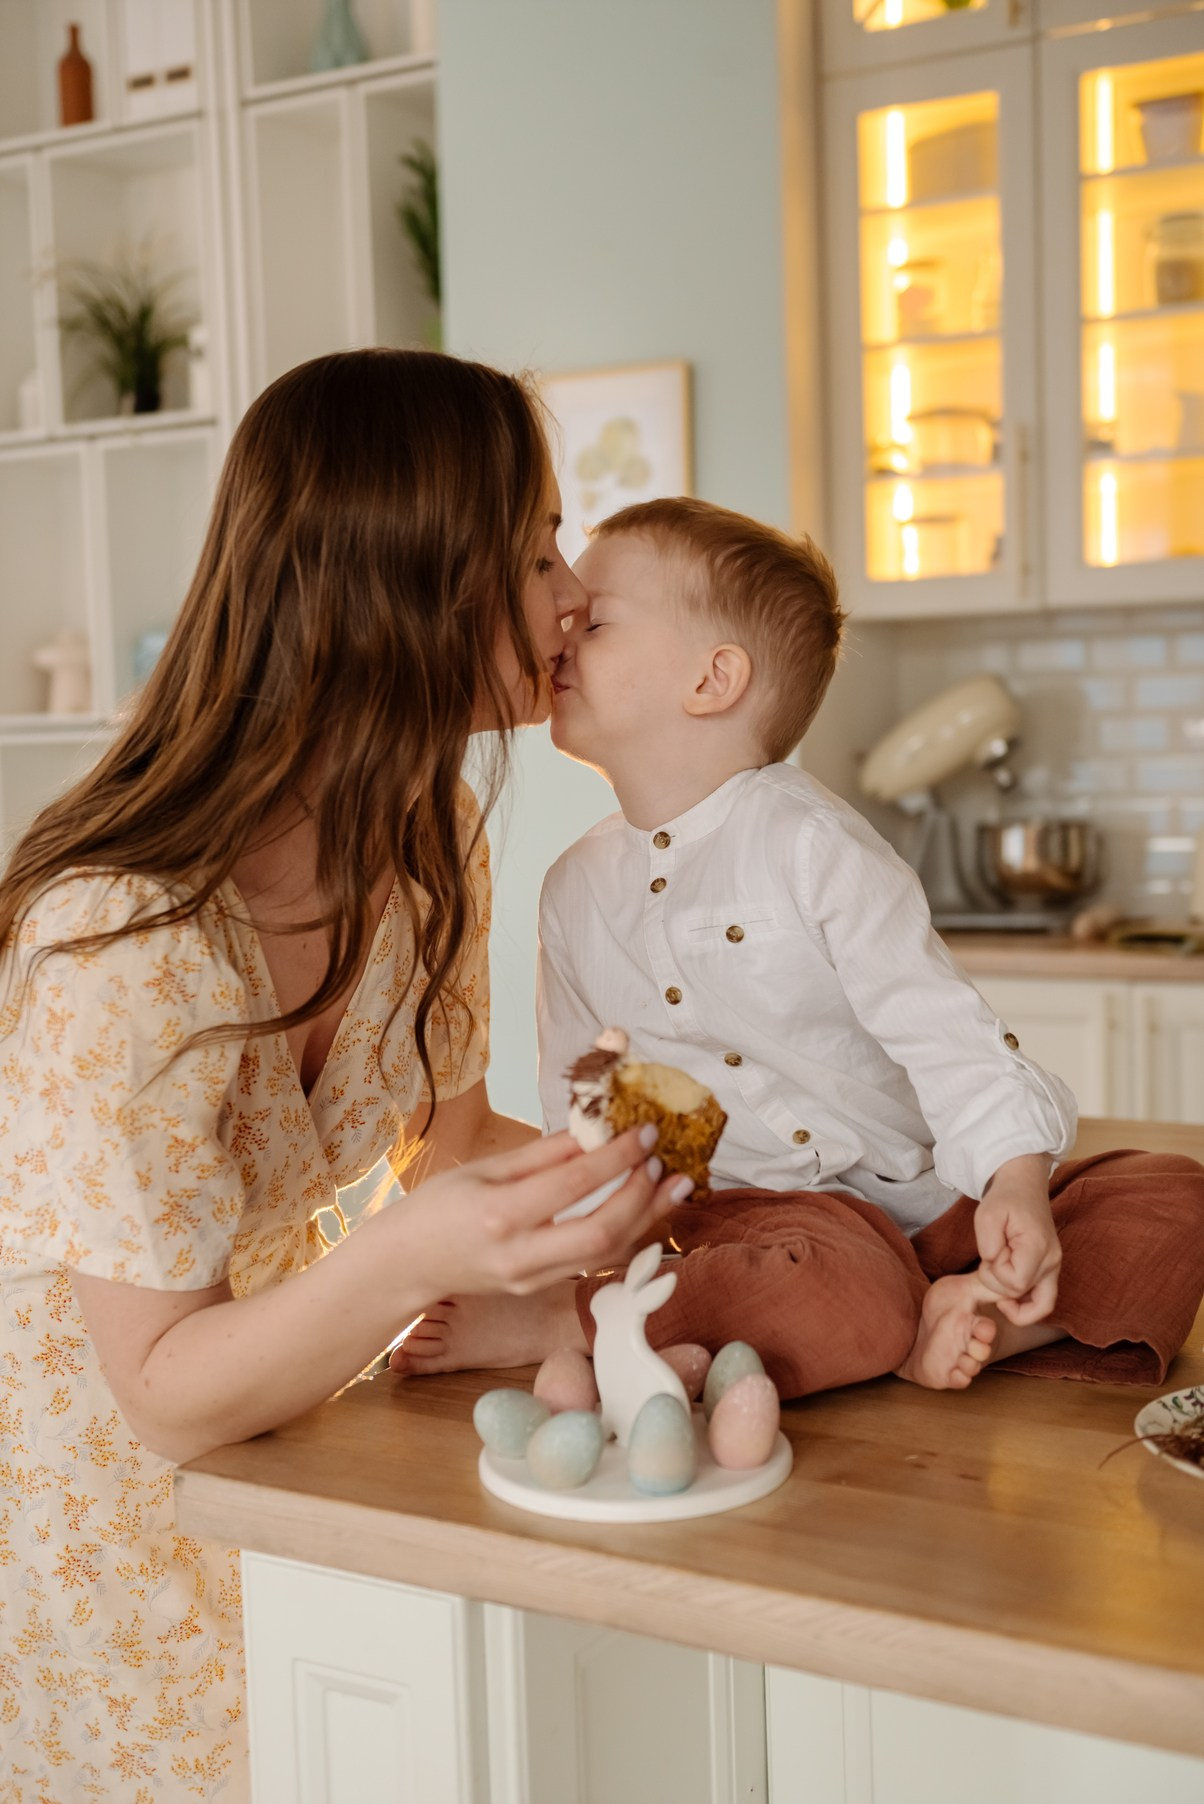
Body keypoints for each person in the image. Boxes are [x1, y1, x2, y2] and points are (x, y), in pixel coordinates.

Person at [0, 351, 689, 1803]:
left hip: (294, 1466)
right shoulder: (120, 940)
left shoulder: (427, 838)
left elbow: (447, 1144)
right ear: (401, 586)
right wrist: (410, 1260)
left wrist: (652, 1171)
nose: (574, 592)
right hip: (90, 1541)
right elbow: (165, 1394)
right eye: (533, 549)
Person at [392, 496, 1204, 1400]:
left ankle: (981, 1319)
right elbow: (588, 1100)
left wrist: (1014, 1184)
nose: (566, 625)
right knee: (835, 1289)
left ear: (713, 679)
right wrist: (579, 1251)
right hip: (757, 1226)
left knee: (1172, 1191)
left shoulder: (814, 844)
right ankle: (581, 1319)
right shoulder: (572, 890)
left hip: (929, 1197)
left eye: (600, 618)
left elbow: (940, 1027)